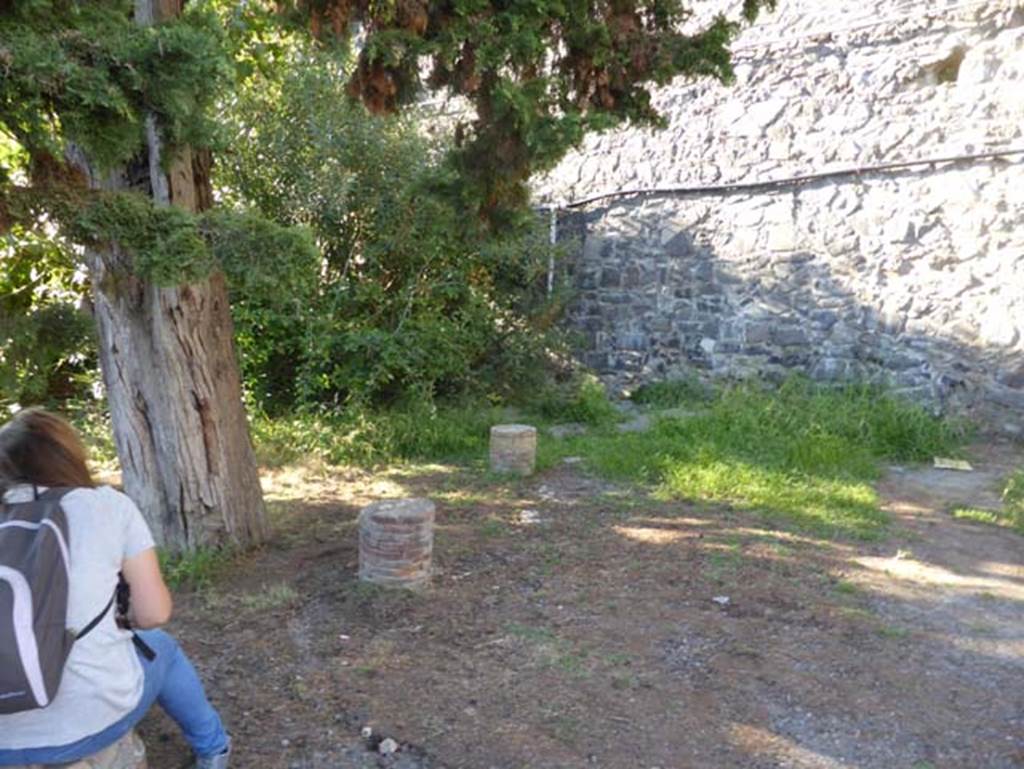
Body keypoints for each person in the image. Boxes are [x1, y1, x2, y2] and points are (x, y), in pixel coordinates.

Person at [0, 408, 231, 768]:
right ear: (67, 456)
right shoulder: (106, 506)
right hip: (90, 723)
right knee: (162, 647)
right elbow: (154, 614)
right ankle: (214, 748)